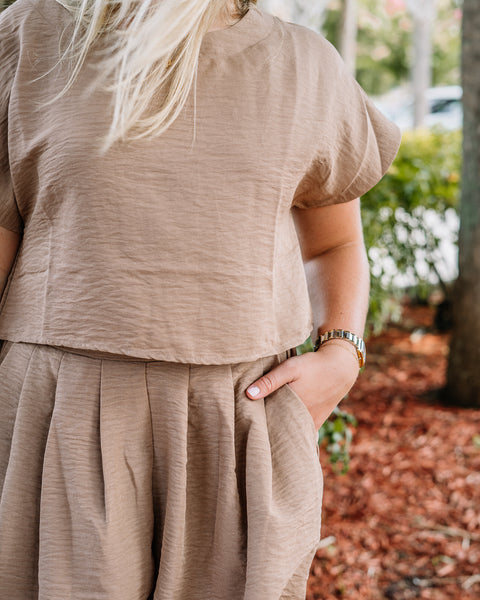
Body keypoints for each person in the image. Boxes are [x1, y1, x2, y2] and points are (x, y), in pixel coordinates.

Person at [0, 0, 401, 598]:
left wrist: (342, 353)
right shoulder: (31, 33)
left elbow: (333, 243)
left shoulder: (304, 64)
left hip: (238, 427)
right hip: (57, 416)